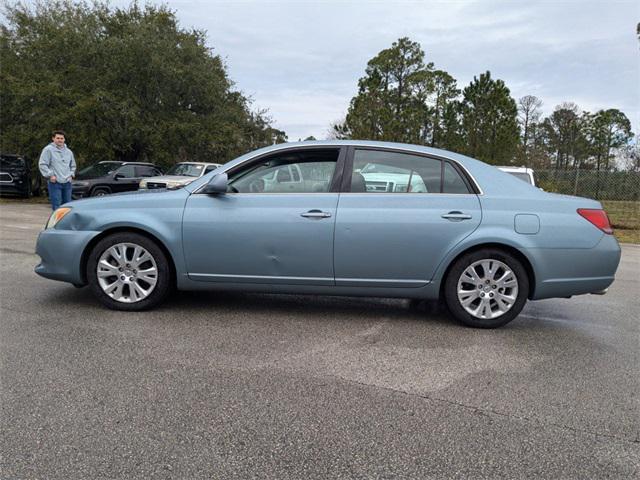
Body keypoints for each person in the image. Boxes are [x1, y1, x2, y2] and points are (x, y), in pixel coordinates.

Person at [39, 130, 76, 210]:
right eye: (58, 138)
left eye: (62, 138)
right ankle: (57, 222)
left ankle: (66, 222)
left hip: (67, 182)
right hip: (55, 183)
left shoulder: (69, 152)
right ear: (53, 138)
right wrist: (50, 175)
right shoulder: (48, 150)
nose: (60, 140)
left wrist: (71, 175)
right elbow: (42, 164)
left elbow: (73, 166)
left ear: (64, 139)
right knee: (57, 206)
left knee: (67, 206)